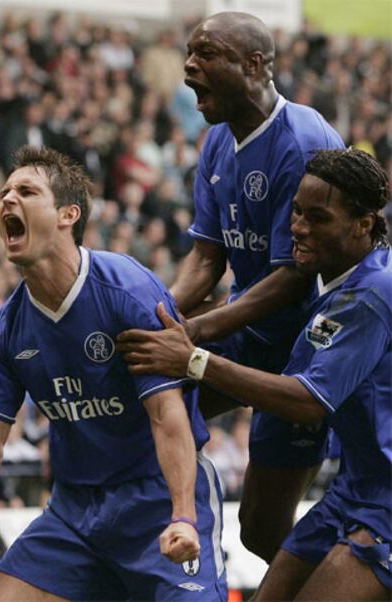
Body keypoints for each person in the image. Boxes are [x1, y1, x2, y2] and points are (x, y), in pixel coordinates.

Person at [117, 147, 391, 601]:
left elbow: (307, 399)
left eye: (318, 218)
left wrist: (194, 361)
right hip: (352, 490)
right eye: (297, 212)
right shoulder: (333, 283)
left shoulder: (372, 295)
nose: (298, 228)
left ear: (363, 224)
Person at [0, 146, 227, 602]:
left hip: (156, 498)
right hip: (75, 510)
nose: (7, 200)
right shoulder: (5, 332)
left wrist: (183, 516)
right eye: (6, 192)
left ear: (67, 215)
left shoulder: (127, 291)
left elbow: (167, 417)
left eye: (27, 192)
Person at [146, 11, 346, 562]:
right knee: (149, 395)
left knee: (260, 529)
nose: (189, 66)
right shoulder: (215, 144)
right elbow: (208, 257)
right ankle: (176, 541)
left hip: (306, 349)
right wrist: (153, 310)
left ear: (254, 64)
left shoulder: (300, 143)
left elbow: (293, 277)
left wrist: (194, 329)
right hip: (249, 328)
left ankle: (349, 579)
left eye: (206, 54)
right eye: (189, 52)